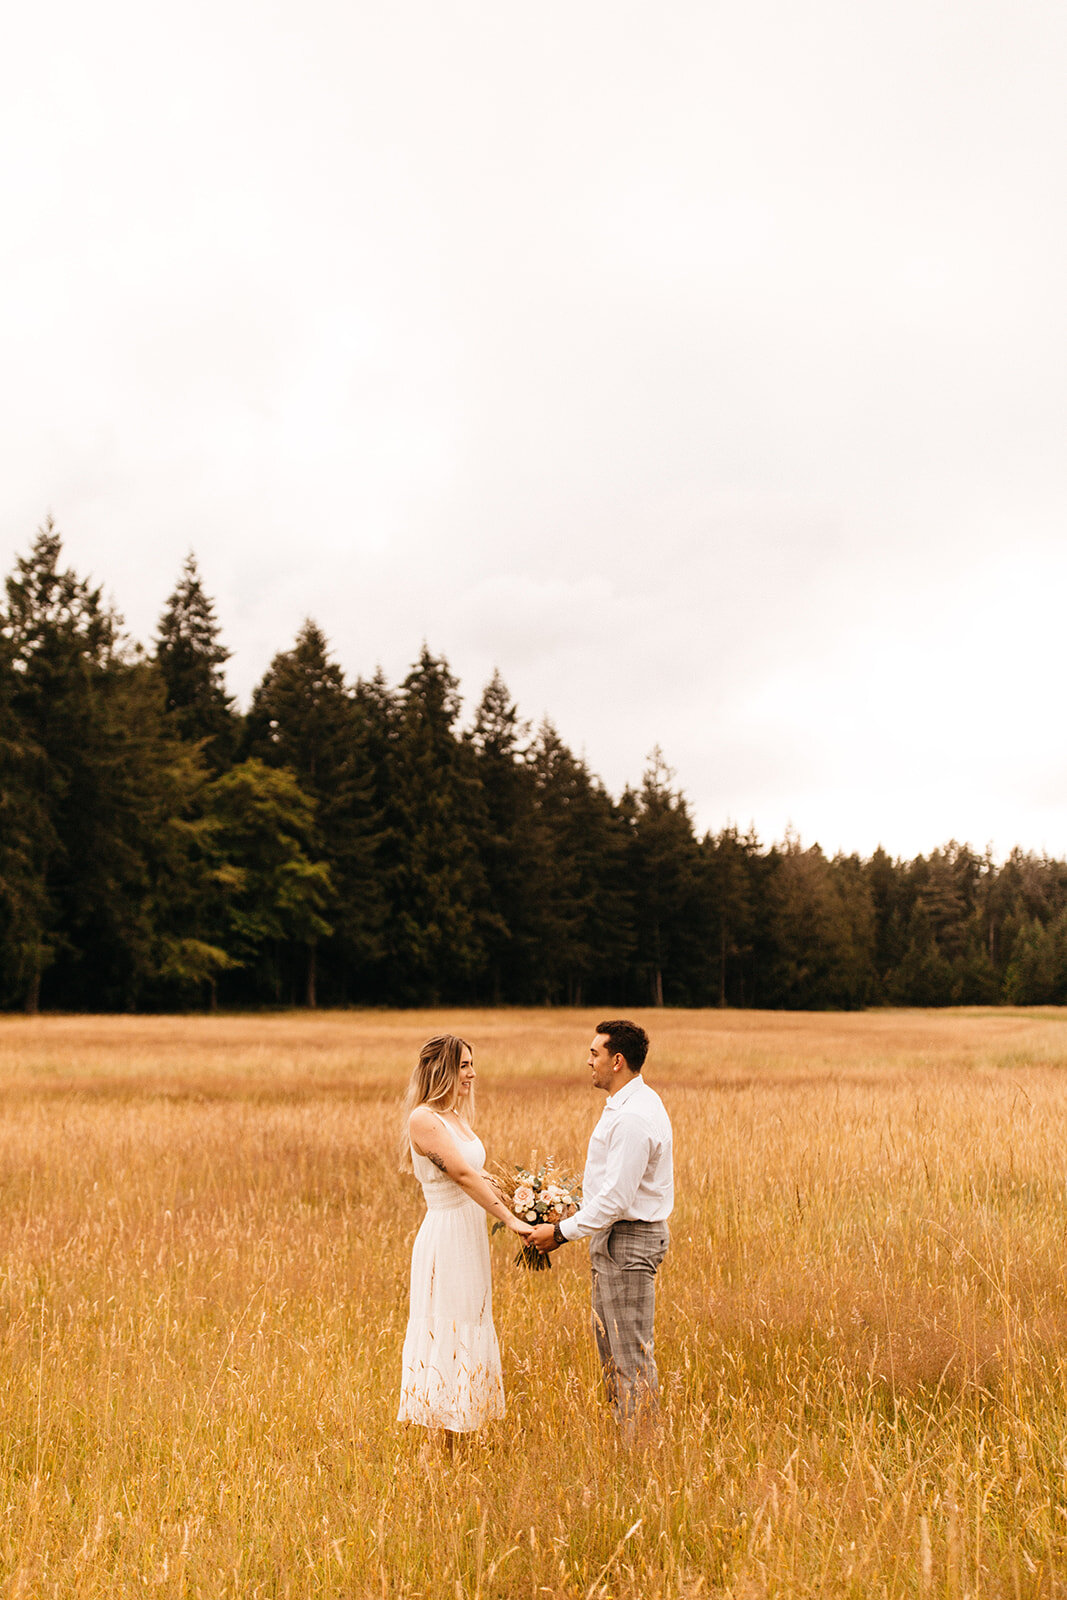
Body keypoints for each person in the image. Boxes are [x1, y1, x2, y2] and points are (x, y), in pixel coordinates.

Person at [528, 1020, 673, 1429]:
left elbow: (616, 1199)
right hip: (615, 1239)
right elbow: (608, 1189)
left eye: (595, 1053)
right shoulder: (629, 1105)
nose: (588, 1060)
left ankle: (642, 1454)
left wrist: (559, 1232)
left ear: (617, 1060)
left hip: (629, 1242)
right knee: (613, 1356)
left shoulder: (634, 1117)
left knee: (630, 1358)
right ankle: (624, 1448)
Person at [398, 1033, 533, 1436]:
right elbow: (461, 1175)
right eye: (463, 1066)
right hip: (446, 1235)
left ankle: (461, 1438)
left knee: (470, 1321)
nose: (472, 1074)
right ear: (441, 1070)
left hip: (470, 1235)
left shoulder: (456, 1117)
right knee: (447, 1326)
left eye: (472, 1064)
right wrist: (509, 1220)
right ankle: (433, 1448)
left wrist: (528, 1194)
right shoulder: (424, 1119)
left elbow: (480, 1174)